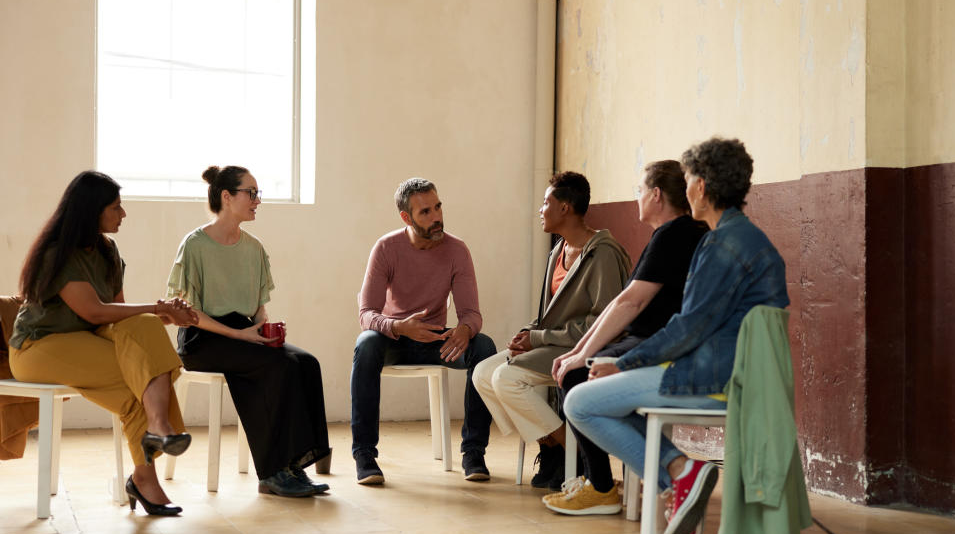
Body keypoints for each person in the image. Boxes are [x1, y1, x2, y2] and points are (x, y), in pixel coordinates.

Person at [563, 138, 789, 534]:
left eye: (686, 181)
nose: (683, 191)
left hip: (716, 378)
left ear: (700, 187)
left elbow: (688, 328)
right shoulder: (746, 238)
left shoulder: (721, 245)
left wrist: (626, 363)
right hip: (738, 373)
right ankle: (682, 472)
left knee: (580, 402)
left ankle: (680, 473)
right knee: (601, 397)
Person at [8, 171, 197, 516]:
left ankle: (150, 452)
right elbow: (94, 312)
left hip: (84, 338)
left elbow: (118, 313)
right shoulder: (58, 254)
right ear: (91, 210)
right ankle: (149, 463)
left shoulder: (108, 250)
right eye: (115, 207)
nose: (122, 214)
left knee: (144, 331)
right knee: (138, 377)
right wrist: (156, 308)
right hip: (39, 347)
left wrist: (163, 315)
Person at [543, 160, 708, 514]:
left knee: (575, 377)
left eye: (639, 190)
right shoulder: (686, 231)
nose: (637, 198)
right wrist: (580, 349)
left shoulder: (674, 234)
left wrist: (579, 354)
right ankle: (669, 473)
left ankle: (603, 487)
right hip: (657, 341)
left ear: (656, 194)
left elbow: (630, 301)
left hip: (660, 346)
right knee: (579, 372)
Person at [167, 165, 332, 498]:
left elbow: (258, 307)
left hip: (243, 333)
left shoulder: (254, 247)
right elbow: (189, 313)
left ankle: (296, 463)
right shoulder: (195, 245)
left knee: (306, 363)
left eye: (259, 193)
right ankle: (272, 472)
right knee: (276, 365)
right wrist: (241, 336)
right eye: (251, 193)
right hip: (202, 338)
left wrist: (261, 329)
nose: (258, 200)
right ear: (227, 197)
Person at [472, 172, 630, 489]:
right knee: (482, 374)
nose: (541, 209)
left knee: (507, 378)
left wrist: (538, 338)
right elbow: (550, 317)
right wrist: (527, 334)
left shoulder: (603, 255)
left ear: (565, 208)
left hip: (585, 350)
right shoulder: (556, 252)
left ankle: (577, 452)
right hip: (555, 345)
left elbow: (603, 324)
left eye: (547, 202)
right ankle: (553, 448)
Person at [352, 178, 497, 484]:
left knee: (484, 347)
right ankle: (364, 455)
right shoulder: (386, 248)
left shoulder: (457, 250)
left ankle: (474, 453)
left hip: (436, 341)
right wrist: (398, 326)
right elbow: (366, 314)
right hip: (393, 339)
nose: (436, 217)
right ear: (406, 217)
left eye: (438, 207)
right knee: (366, 344)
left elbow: (471, 313)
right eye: (425, 212)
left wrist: (466, 329)